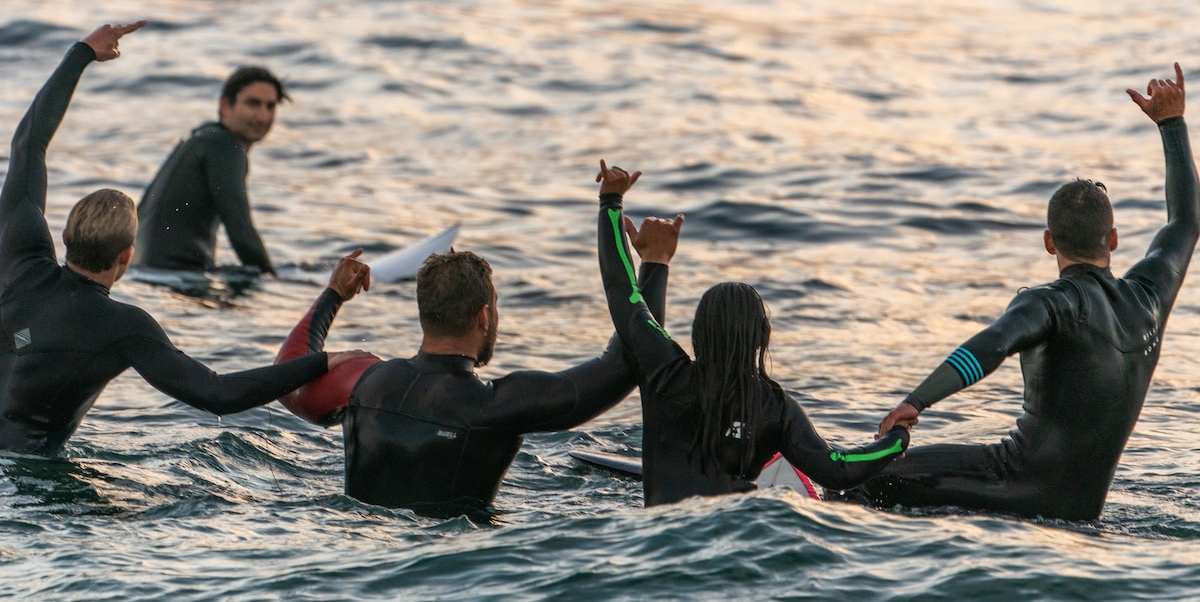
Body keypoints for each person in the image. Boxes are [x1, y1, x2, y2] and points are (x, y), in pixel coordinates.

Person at [829, 63, 1198, 521]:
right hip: (1083, 510)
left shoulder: (1048, 303)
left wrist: (916, 400)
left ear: (1049, 242)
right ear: (1114, 239)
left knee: (863, 481)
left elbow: (992, 344)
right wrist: (1173, 123)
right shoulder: (1150, 298)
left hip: (1015, 484)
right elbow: (1185, 222)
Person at [0, 22, 369, 457]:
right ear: (126, 257)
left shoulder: (21, 257)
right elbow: (216, 394)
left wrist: (82, 53)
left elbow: (29, 143)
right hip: (27, 469)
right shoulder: (125, 326)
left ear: (64, 235)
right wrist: (320, 361)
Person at [274, 238, 676, 517]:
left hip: (359, 547)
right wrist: (653, 263)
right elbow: (627, 361)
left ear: (424, 313)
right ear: (484, 316)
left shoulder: (364, 381)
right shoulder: (497, 406)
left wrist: (333, 295)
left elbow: (288, 375)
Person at [594, 161, 911, 507]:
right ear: (762, 337)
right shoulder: (775, 407)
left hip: (665, 532)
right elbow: (839, 468)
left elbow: (623, 293)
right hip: (746, 529)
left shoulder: (667, 375)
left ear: (699, 332)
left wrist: (610, 204)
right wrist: (897, 438)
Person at [133, 63, 290, 274]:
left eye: (270, 106)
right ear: (225, 105)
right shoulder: (225, 145)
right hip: (175, 274)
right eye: (253, 104)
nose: (263, 116)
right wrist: (272, 279)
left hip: (144, 271)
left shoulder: (201, 139)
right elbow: (241, 231)